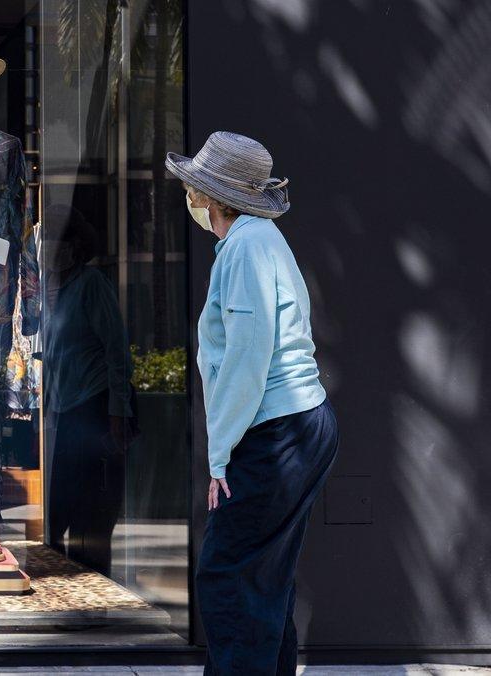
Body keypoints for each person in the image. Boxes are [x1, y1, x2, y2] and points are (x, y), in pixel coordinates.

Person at [167, 132, 338, 675]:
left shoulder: (243, 246)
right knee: (264, 578)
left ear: (209, 196)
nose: (189, 196)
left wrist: (219, 457)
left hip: (278, 430)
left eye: (194, 187)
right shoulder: (260, 238)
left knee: (227, 575)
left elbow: (246, 357)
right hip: (303, 423)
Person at [40, 204, 135, 574]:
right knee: (60, 511)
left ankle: (95, 588)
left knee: (92, 513)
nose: (50, 247)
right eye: (46, 239)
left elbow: (116, 349)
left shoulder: (91, 284)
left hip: (94, 407)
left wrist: (118, 412)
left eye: (58, 241)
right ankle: (67, 586)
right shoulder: (53, 289)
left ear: (76, 247)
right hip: (65, 410)